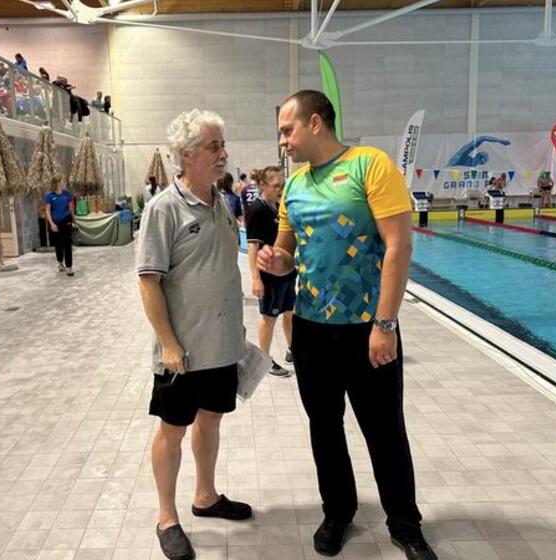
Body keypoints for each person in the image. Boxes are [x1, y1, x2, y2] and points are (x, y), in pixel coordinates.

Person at [258, 90, 436, 560]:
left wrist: (385, 323)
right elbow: (287, 255)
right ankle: (337, 512)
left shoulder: (370, 165)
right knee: (324, 428)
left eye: (287, 130)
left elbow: (398, 246)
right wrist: (274, 262)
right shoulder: (294, 186)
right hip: (311, 331)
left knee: (384, 430)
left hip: (367, 328)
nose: (283, 141)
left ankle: (405, 524)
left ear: (316, 123)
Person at [136, 109, 252, 560]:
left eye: (222, 145)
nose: (223, 153)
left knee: (211, 419)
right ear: (187, 155)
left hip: (221, 345)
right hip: (181, 352)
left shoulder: (221, 202)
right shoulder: (164, 208)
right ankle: (167, 517)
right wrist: (168, 343)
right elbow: (149, 282)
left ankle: (205, 496)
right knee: (172, 430)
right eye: (214, 146)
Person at [246, 165, 294, 377]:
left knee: (290, 312)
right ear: (263, 185)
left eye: (283, 185)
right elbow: (252, 247)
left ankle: (292, 350)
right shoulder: (257, 210)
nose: (280, 189)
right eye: (276, 186)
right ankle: (264, 361)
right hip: (268, 275)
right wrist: (256, 278)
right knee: (269, 317)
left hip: (285, 273)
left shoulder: (278, 207)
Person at [44, 174, 75, 276]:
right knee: (58, 245)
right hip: (55, 222)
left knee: (68, 244)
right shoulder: (49, 195)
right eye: (63, 181)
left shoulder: (68, 194)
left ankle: (69, 267)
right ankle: (60, 262)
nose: (65, 183)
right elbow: (47, 211)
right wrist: (52, 223)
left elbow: (71, 209)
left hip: (66, 220)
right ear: (57, 183)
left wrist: (75, 221)